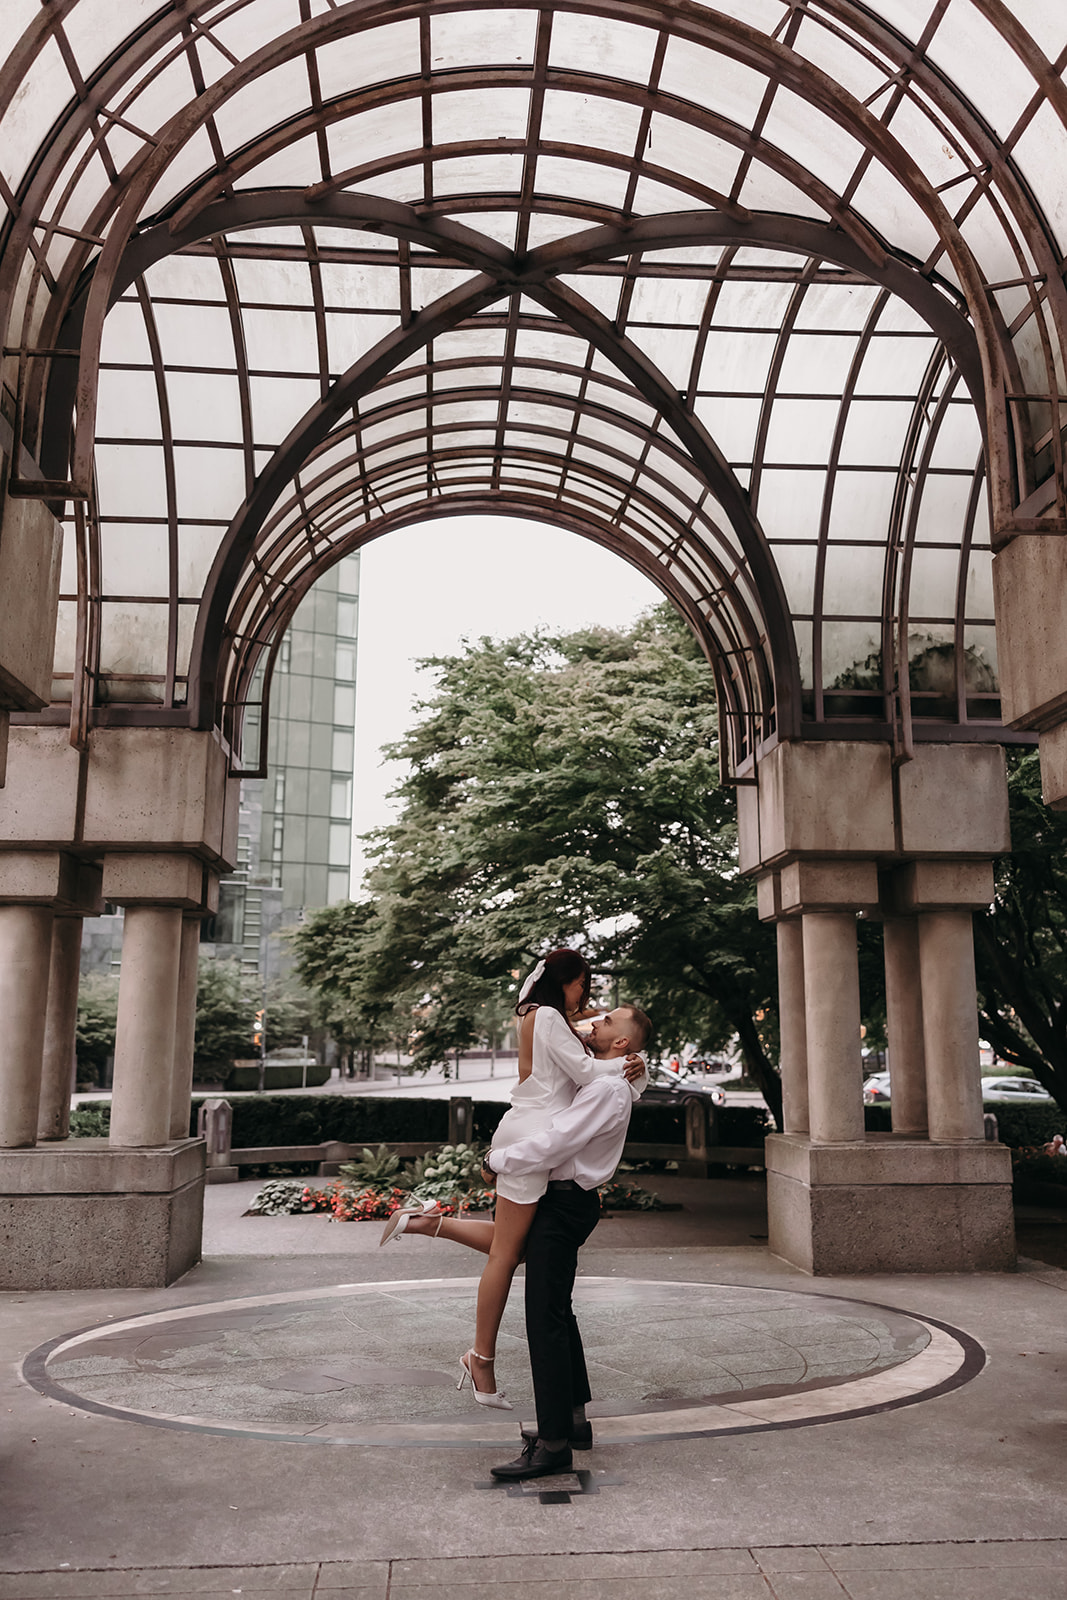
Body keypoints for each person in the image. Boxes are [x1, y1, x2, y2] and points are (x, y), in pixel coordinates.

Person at [380, 949, 646, 1409]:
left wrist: (637, 1065)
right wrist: (629, 1063)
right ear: (564, 982)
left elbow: (606, 1040)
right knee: (507, 1255)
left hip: (536, 1132)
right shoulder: (545, 1017)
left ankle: (427, 1224)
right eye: (582, 984)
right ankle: (481, 1358)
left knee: (517, 1245)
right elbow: (588, 1069)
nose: (589, 1001)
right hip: (534, 1134)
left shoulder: (551, 1016)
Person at [483, 1001, 653, 1481]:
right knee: (559, 1312)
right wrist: (635, 1064)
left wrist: (497, 1161)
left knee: (545, 1321)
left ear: (621, 1042)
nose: (594, 1022)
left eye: (606, 1022)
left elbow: (558, 1140)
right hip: (566, 1202)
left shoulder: (605, 1090)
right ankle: (573, 1423)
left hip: (563, 1204)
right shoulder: (607, 1079)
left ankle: (553, 1444)